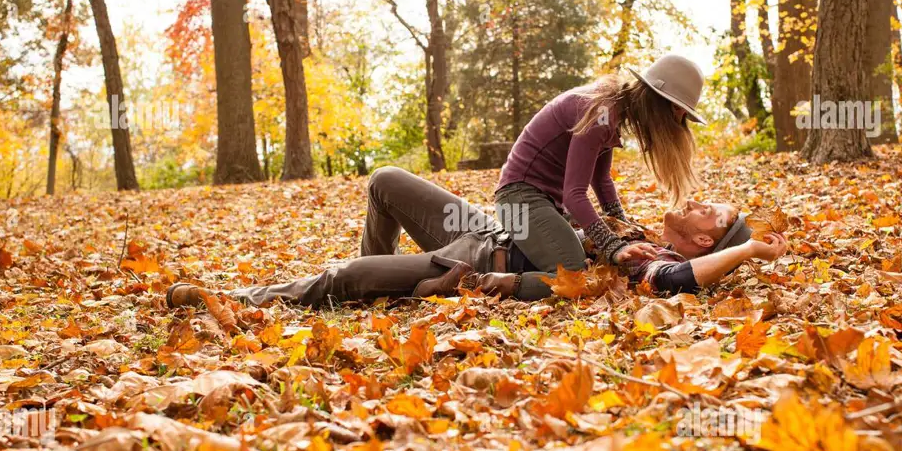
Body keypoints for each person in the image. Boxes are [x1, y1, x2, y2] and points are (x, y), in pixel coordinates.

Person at [165, 167, 787, 311]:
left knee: (343, 281)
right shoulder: (629, 231)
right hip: (482, 226)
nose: (699, 201)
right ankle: (379, 273)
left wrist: (752, 250)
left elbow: (682, 284)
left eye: (713, 212)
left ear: (706, 242)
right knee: (384, 182)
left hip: (470, 263)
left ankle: (238, 298)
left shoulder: (652, 268)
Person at [494, 54, 710, 301]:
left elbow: (601, 180)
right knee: (576, 278)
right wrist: (614, 246)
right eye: (677, 111)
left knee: (590, 267)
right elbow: (574, 194)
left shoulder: (614, 111)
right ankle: (477, 281)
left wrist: (624, 227)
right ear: (658, 101)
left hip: (541, 203)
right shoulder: (601, 112)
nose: (678, 121)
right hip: (518, 199)